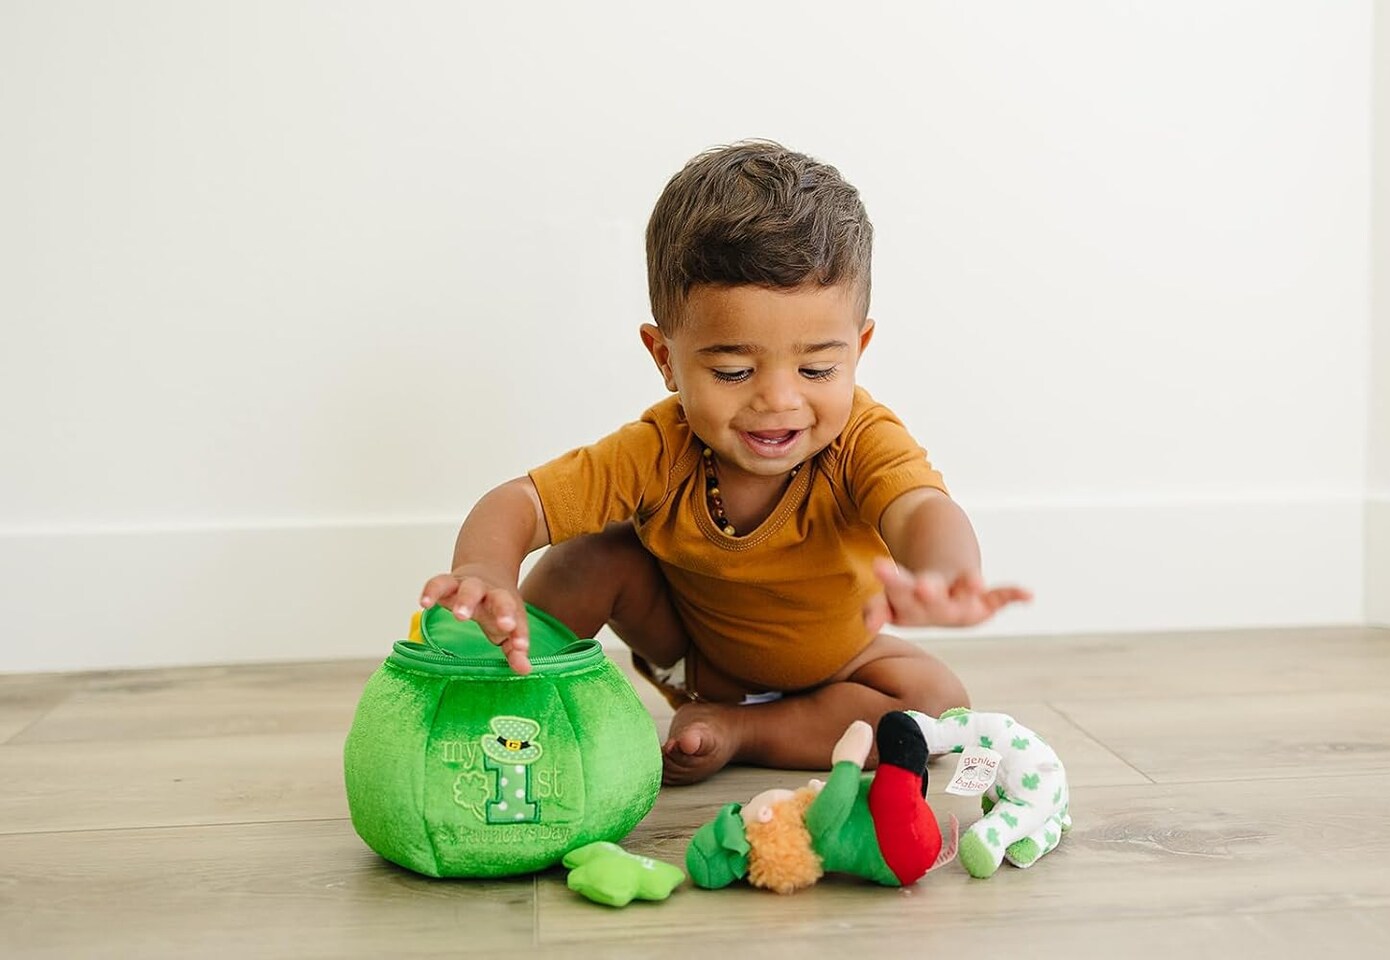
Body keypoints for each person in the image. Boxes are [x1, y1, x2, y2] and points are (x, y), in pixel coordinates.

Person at [419, 140, 1031, 785]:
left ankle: (742, 731)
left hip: (833, 673)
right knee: (590, 553)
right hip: (687, 656)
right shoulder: (659, 449)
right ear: (665, 359)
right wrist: (487, 569)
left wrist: (947, 575)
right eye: (734, 370)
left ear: (860, 347)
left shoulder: (861, 440)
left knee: (938, 705)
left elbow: (920, 509)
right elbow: (524, 502)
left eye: (818, 368)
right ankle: (509, 693)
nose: (779, 399)